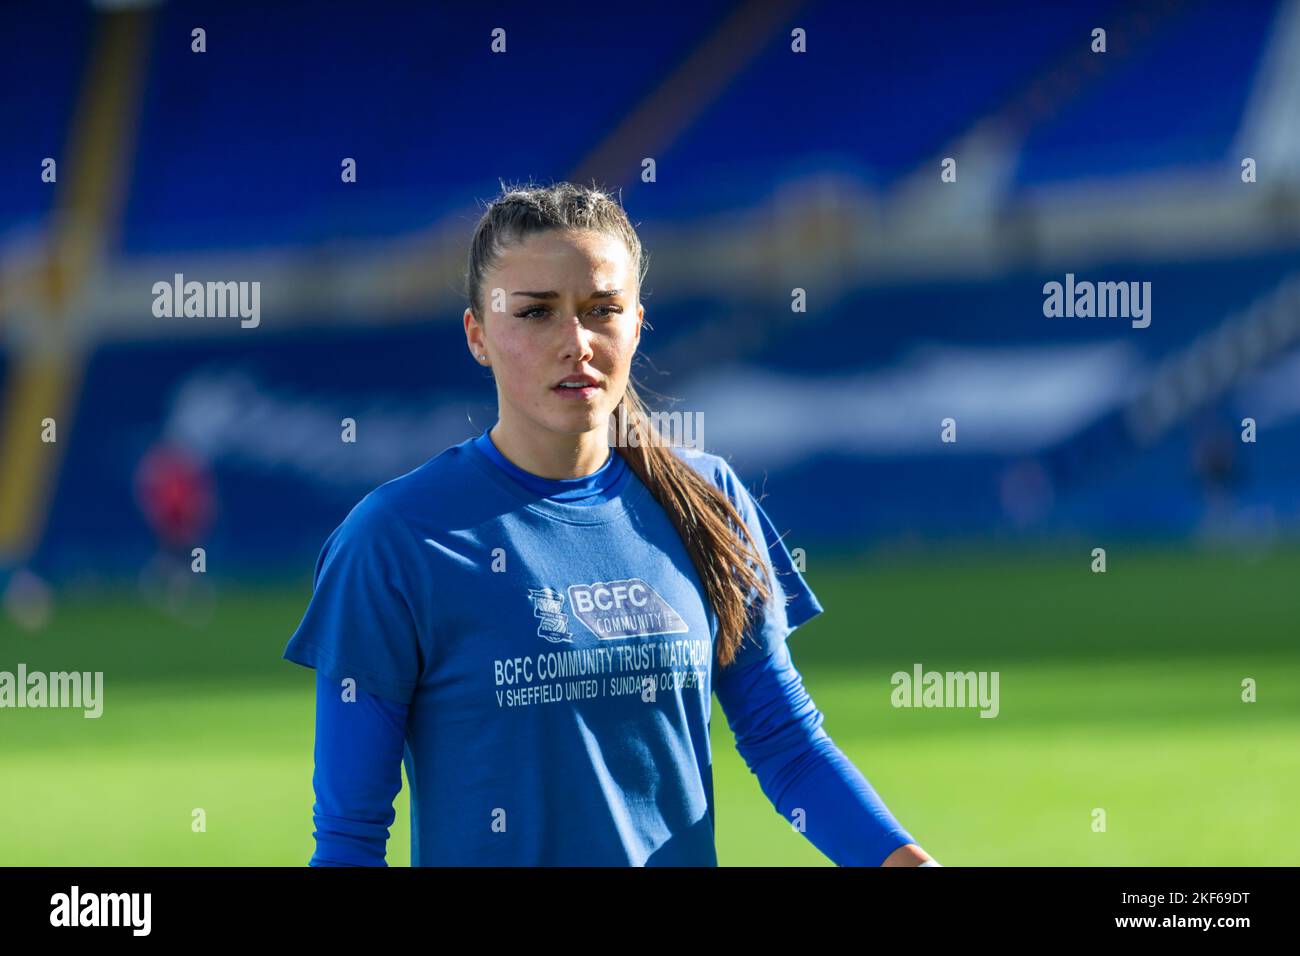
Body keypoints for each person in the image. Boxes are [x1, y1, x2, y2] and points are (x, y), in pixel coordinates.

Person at [282, 181, 938, 867]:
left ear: (637, 322)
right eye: (536, 313)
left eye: (602, 310)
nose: (576, 342)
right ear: (477, 335)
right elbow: (350, 839)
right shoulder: (393, 540)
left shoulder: (708, 501)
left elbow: (788, 747)